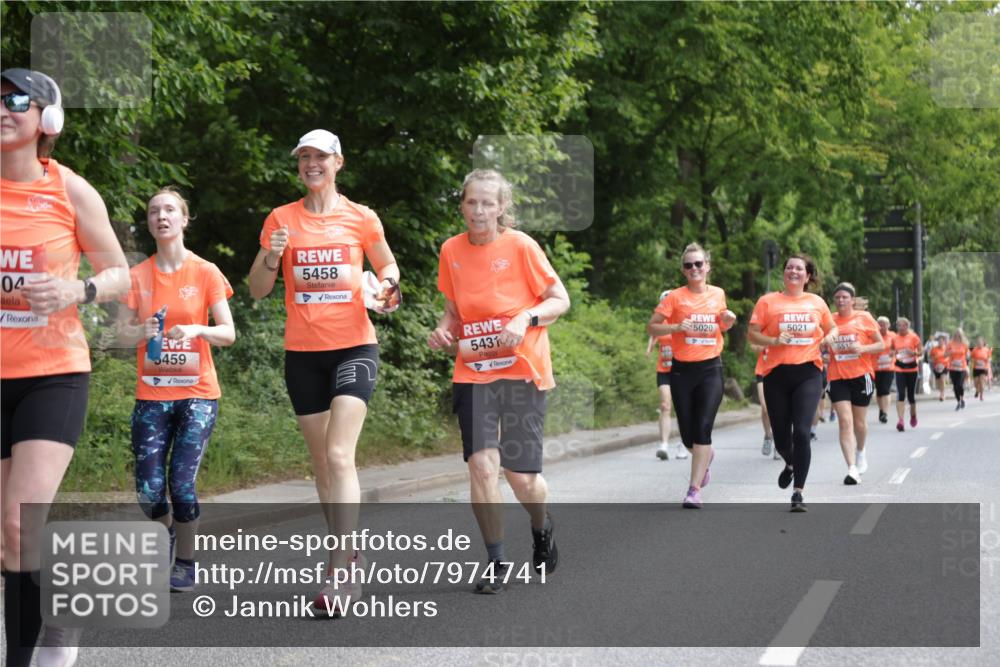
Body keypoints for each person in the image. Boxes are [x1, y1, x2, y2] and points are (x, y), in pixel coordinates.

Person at [1, 68, 129, 667]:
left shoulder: (70, 191)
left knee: (20, 522)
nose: (3, 109)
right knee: (7, 538)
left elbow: (122, 276)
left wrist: (75, 291)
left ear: (46, 120)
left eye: (16, 100)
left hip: (53, 374)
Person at [248, 129, 400, 615]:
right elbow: (256, 289)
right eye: (304, 157)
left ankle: (339, 571)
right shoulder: (281, 219)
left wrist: (388, 289)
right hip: (303, 354)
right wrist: (272, 253)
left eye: (320, 156)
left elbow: (389, 268)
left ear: (339, 162)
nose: (311, 164)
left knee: (339, 454)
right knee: (321, 466)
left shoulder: (361, 218)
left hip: (355, 345)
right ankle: (347, 550)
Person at [428, 169, 569, 593]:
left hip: (522, 369)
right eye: (472, 202)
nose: (479, 210)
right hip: (474, 371)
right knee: (482, 466)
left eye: (488, 203)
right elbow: (453, 313)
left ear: (502, 208)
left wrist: (524, 317)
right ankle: (496, 561)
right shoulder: (451, 250)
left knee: (520, 476)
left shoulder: (521, 246)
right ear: (462, 206)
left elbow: (559, 299)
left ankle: (541, 526)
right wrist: (443, 331)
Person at [116, 188, 235, 592]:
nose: (160, 216)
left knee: (182, 483)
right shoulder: (137, 275)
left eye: (169, 210)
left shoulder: (205, 271)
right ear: (149, 222)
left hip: (197, 394)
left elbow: (228, 332)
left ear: (184, 219)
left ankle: (186, 561)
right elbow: (118, 334)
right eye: (153, 211)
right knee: (149, 491)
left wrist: (199, 328)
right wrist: (139, 330)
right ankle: (164, 533)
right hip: (151, 396)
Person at [647, 243, 737, 509]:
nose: (694, 269)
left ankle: (693, 490)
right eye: (689, 265)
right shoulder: (674, 297)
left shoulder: (718, 294)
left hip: (711, 368)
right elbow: (652, 326)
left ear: (707, 266)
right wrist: (675, 326)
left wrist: (728, 321)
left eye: (699, 264)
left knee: (703, 428)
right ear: (683, 270)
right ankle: (704, 456)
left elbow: (721, 323)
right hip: (681, 371)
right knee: (687, 435)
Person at [748, 254, 837, 512]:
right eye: (789, 268)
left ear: (807, 276)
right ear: (784, 273)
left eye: (799, 268)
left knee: (801, 432)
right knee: (781, 439)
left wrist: (829, 338)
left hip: (808, 372)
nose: (794, 271)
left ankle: (798, 492)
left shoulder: (816, 302)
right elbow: (752, 333)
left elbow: (832, 328)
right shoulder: (767, 302)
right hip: (776, 374)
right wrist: (774, 341)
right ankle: (789, 463)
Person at [826, 284, 883, 484]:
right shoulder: (829, 320)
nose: (840, 300)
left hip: (861, 375)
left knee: (859, 423)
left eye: (844, 297)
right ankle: (851, 468)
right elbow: (822, 343)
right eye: (837, 297)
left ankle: (861, 450)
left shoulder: (864, 318)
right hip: (837, 376)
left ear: (852, 300)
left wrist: (863, 347)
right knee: (845, 422)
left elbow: (881, 344)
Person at [646, 290, 685, 460]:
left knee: (683, 409)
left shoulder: (682, 322)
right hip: (663, 370)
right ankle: (663, 444)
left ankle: (684, 443)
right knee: (665, 405)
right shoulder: (661, 324)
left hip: (681, 371)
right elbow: (653, 334)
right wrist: (649, 348)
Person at [751, 344, 780, 459]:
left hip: (780, 370)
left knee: (780, 409)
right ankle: (768, 436)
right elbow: (752, 345)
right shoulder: (763, 327)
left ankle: (779, 444)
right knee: (765, 407)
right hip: (763, 370)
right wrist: (758, 347)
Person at [892, 317, 921, 431]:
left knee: (911, 396)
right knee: (901, 395)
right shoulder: (895, 338)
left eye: (903, 325)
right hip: (899, 368)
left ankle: (913, 416)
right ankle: (901, 420)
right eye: (899, 325)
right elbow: (891, 350)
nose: (901, 327)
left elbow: (921, 351)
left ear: (907, 326)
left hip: (912, 369)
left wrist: (913, 352)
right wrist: (892, 353)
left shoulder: (914, 337)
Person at [871, 316, 896, 423]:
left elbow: (899, 347)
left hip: (888, 367)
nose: (882, 326)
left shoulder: (893, 336)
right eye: (880, 324)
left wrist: (894, 352)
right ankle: (881, 410)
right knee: (879, 391)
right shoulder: (873, 336)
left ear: (889, 325)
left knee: (886, 390)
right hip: (875, 367)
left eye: (884, 324)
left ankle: (885, 413)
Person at [947, 329, 970, 410]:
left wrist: (967, 365)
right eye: (956, 334)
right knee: (955, 386)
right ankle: (958, 401)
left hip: (962, 367)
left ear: (961, 335)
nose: (957, 336)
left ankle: (962, 398)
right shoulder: (950, 344)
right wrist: (949, 353)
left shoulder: (964, 344)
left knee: (959, 385)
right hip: (952, 367)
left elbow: (968, 356)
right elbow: (945, 354)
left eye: (959, 335)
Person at [928, 334, 950, 401]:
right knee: (938, 384)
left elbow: (950, 357)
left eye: (942, 341)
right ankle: (941, 392)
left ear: (944, 342)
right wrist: (933, 360)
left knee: (942, 380)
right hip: (936, 367)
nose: (940, 342)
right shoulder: (934, 349)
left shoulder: (947, 349)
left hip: (945, 366)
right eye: (939, 341)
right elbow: (930, 358)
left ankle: (942, 394)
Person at [971, 337, 992, 401]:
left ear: (983, 343)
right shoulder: (974, 350)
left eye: (980, 342)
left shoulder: (986, 350)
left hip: (984, 368)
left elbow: (990, 358)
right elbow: (972, 358)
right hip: (976, 368)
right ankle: (977, 390)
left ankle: (981, 395)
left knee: (982, 382)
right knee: (976, 382)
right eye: (978, 342)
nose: (979, 343)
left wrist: (988, 360)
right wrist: (975, 361)